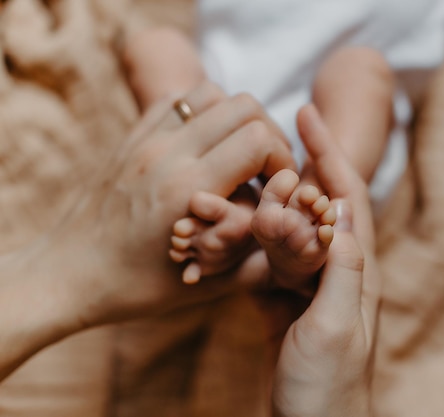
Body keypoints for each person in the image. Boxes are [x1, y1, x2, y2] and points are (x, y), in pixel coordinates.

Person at [0, 78, 380, 415]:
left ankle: (282, 216)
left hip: (227, 107)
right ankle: (272, 221)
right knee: (169, 59)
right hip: (226, 102)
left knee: (358, 71)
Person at [123, 29, 395, 289]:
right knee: (155, 46)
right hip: (219, 85)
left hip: (330, 113)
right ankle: (233, 202)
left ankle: (305, 206)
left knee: (361, 66)